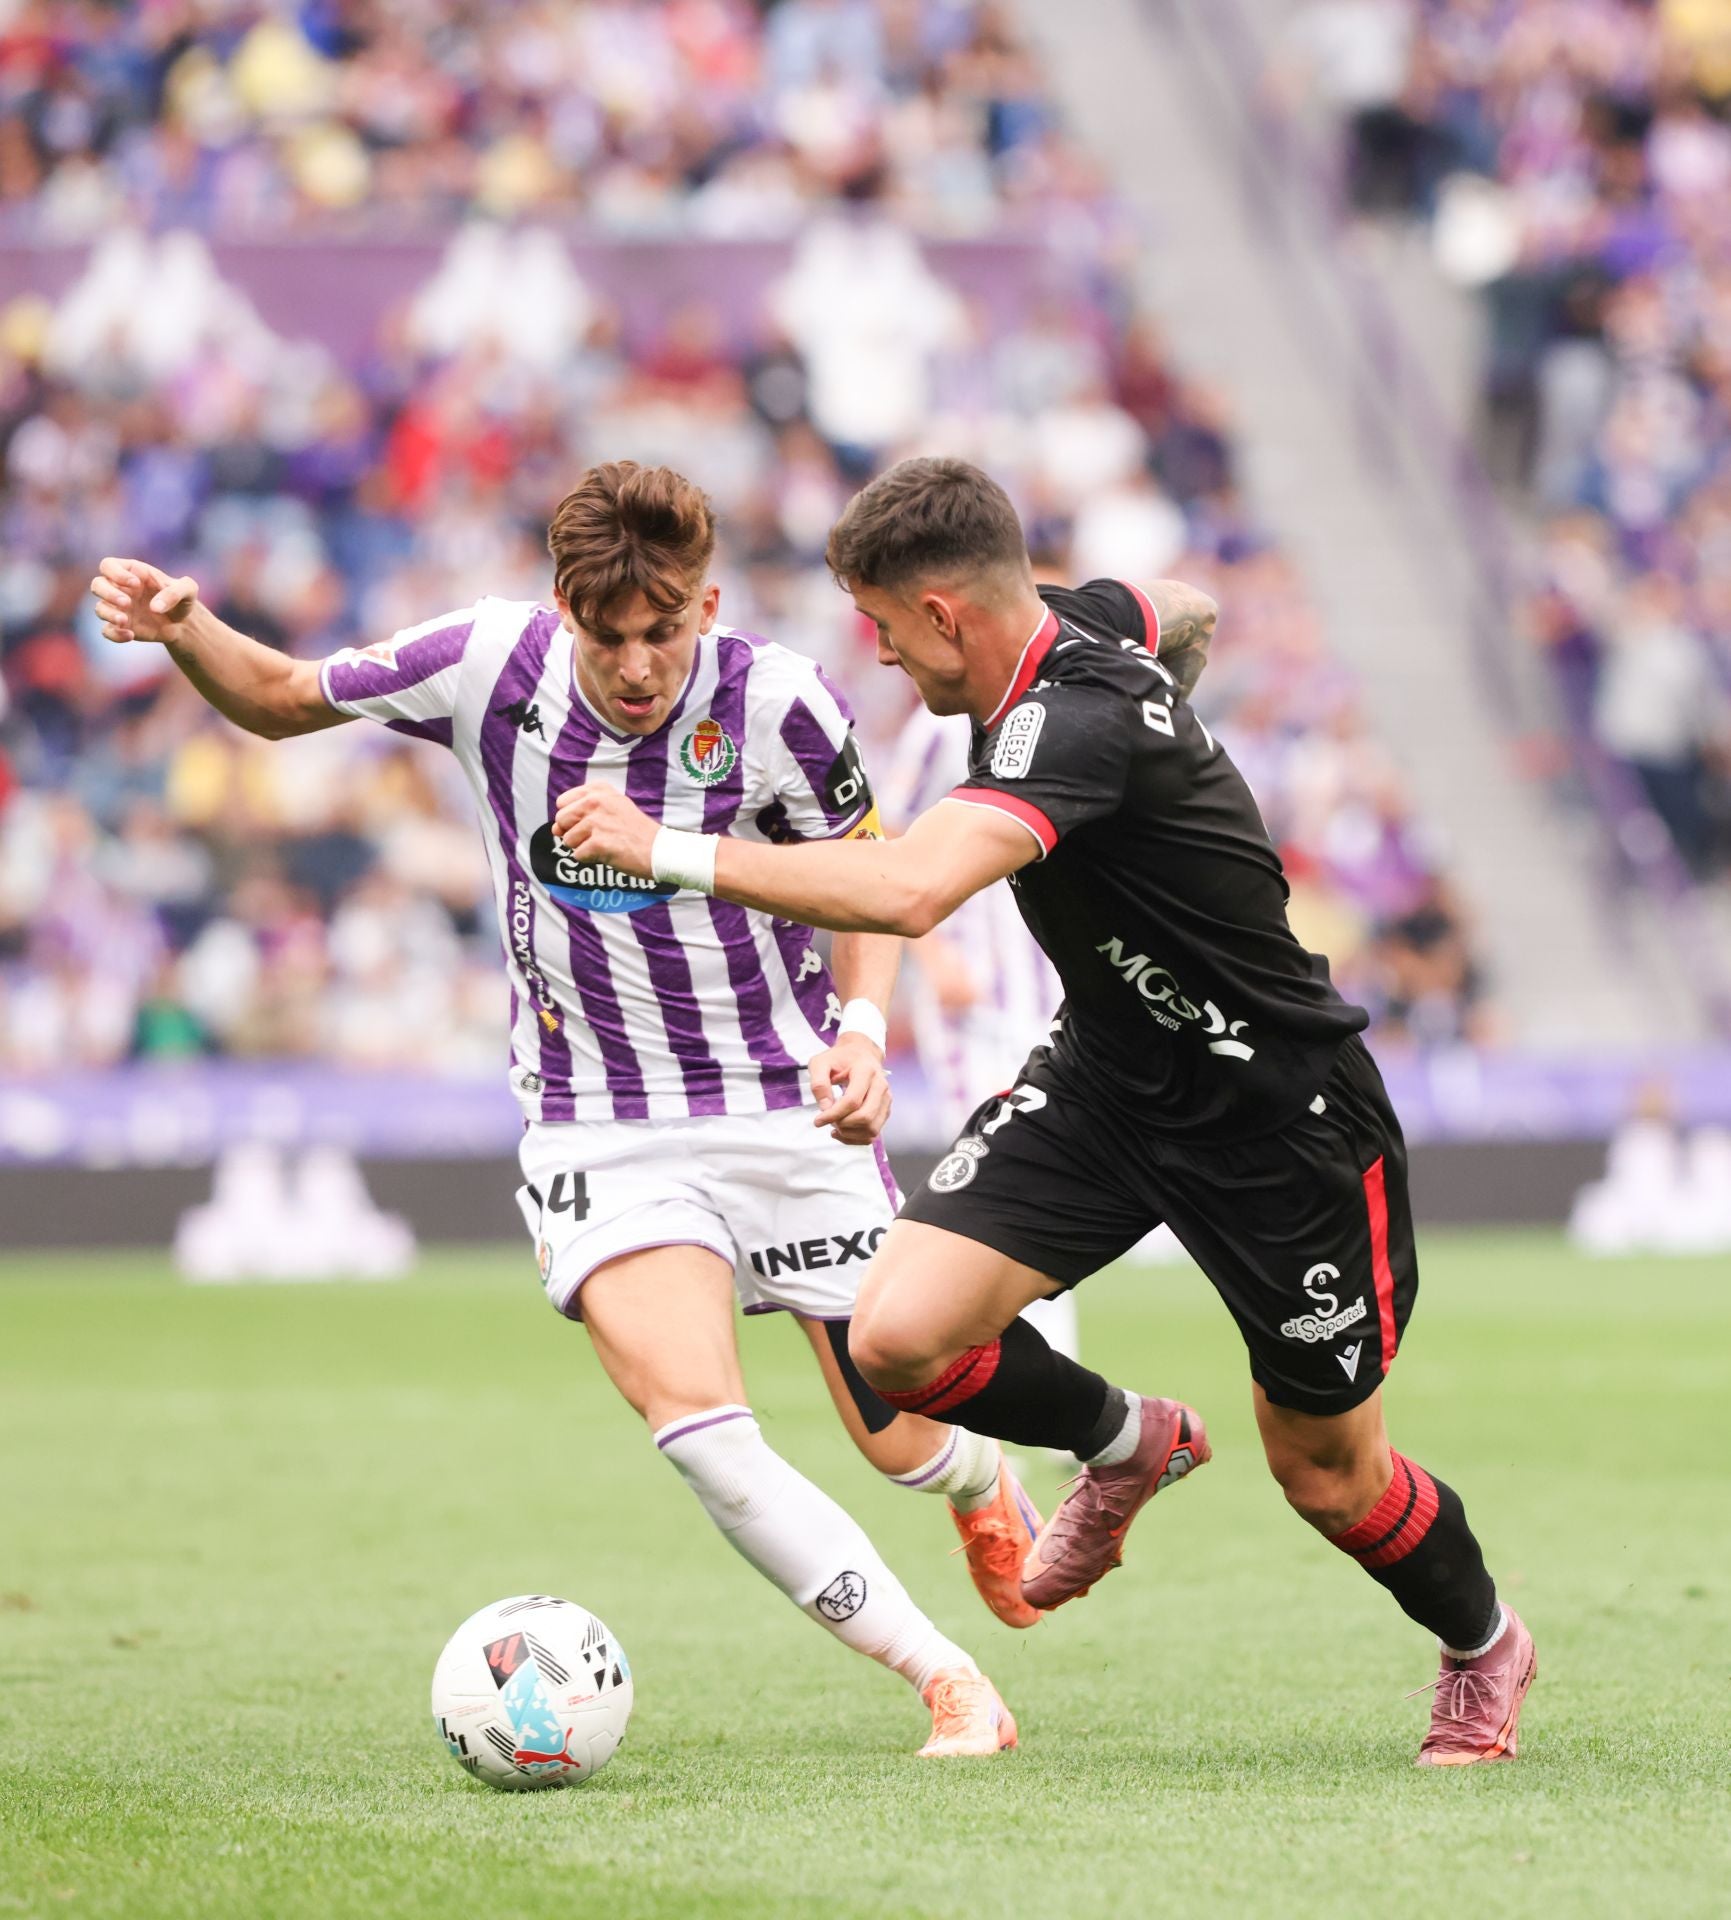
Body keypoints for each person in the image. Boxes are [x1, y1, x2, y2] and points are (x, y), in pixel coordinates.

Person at [554, 455, 1538, 1769]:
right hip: (1108, 1082)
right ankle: (1125, 1445)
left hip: (1280, 1122)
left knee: (1326, 1475)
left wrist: (659, 848)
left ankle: (1484, 1644)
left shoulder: (1066, 727)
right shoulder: (1079, 627)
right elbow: (1178, 605)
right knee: (893, 1338)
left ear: (949, 613)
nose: (891, 665)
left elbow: (906, 891)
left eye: (892, 636)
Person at [88, 460, 1043, 1760]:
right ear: (562, 608)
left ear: (706, 603)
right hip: (603, 1122)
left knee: (908, 1440)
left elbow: (869, 878)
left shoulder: (780, 701)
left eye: (664, 633)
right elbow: (277, 698)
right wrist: (189, 624)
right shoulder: (486, 663)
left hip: (786, 1106)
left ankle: (983, 1486)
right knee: (707, 1438)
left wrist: (865, 1031)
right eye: (610, 638)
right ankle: (947, 1681)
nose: (639, 665)